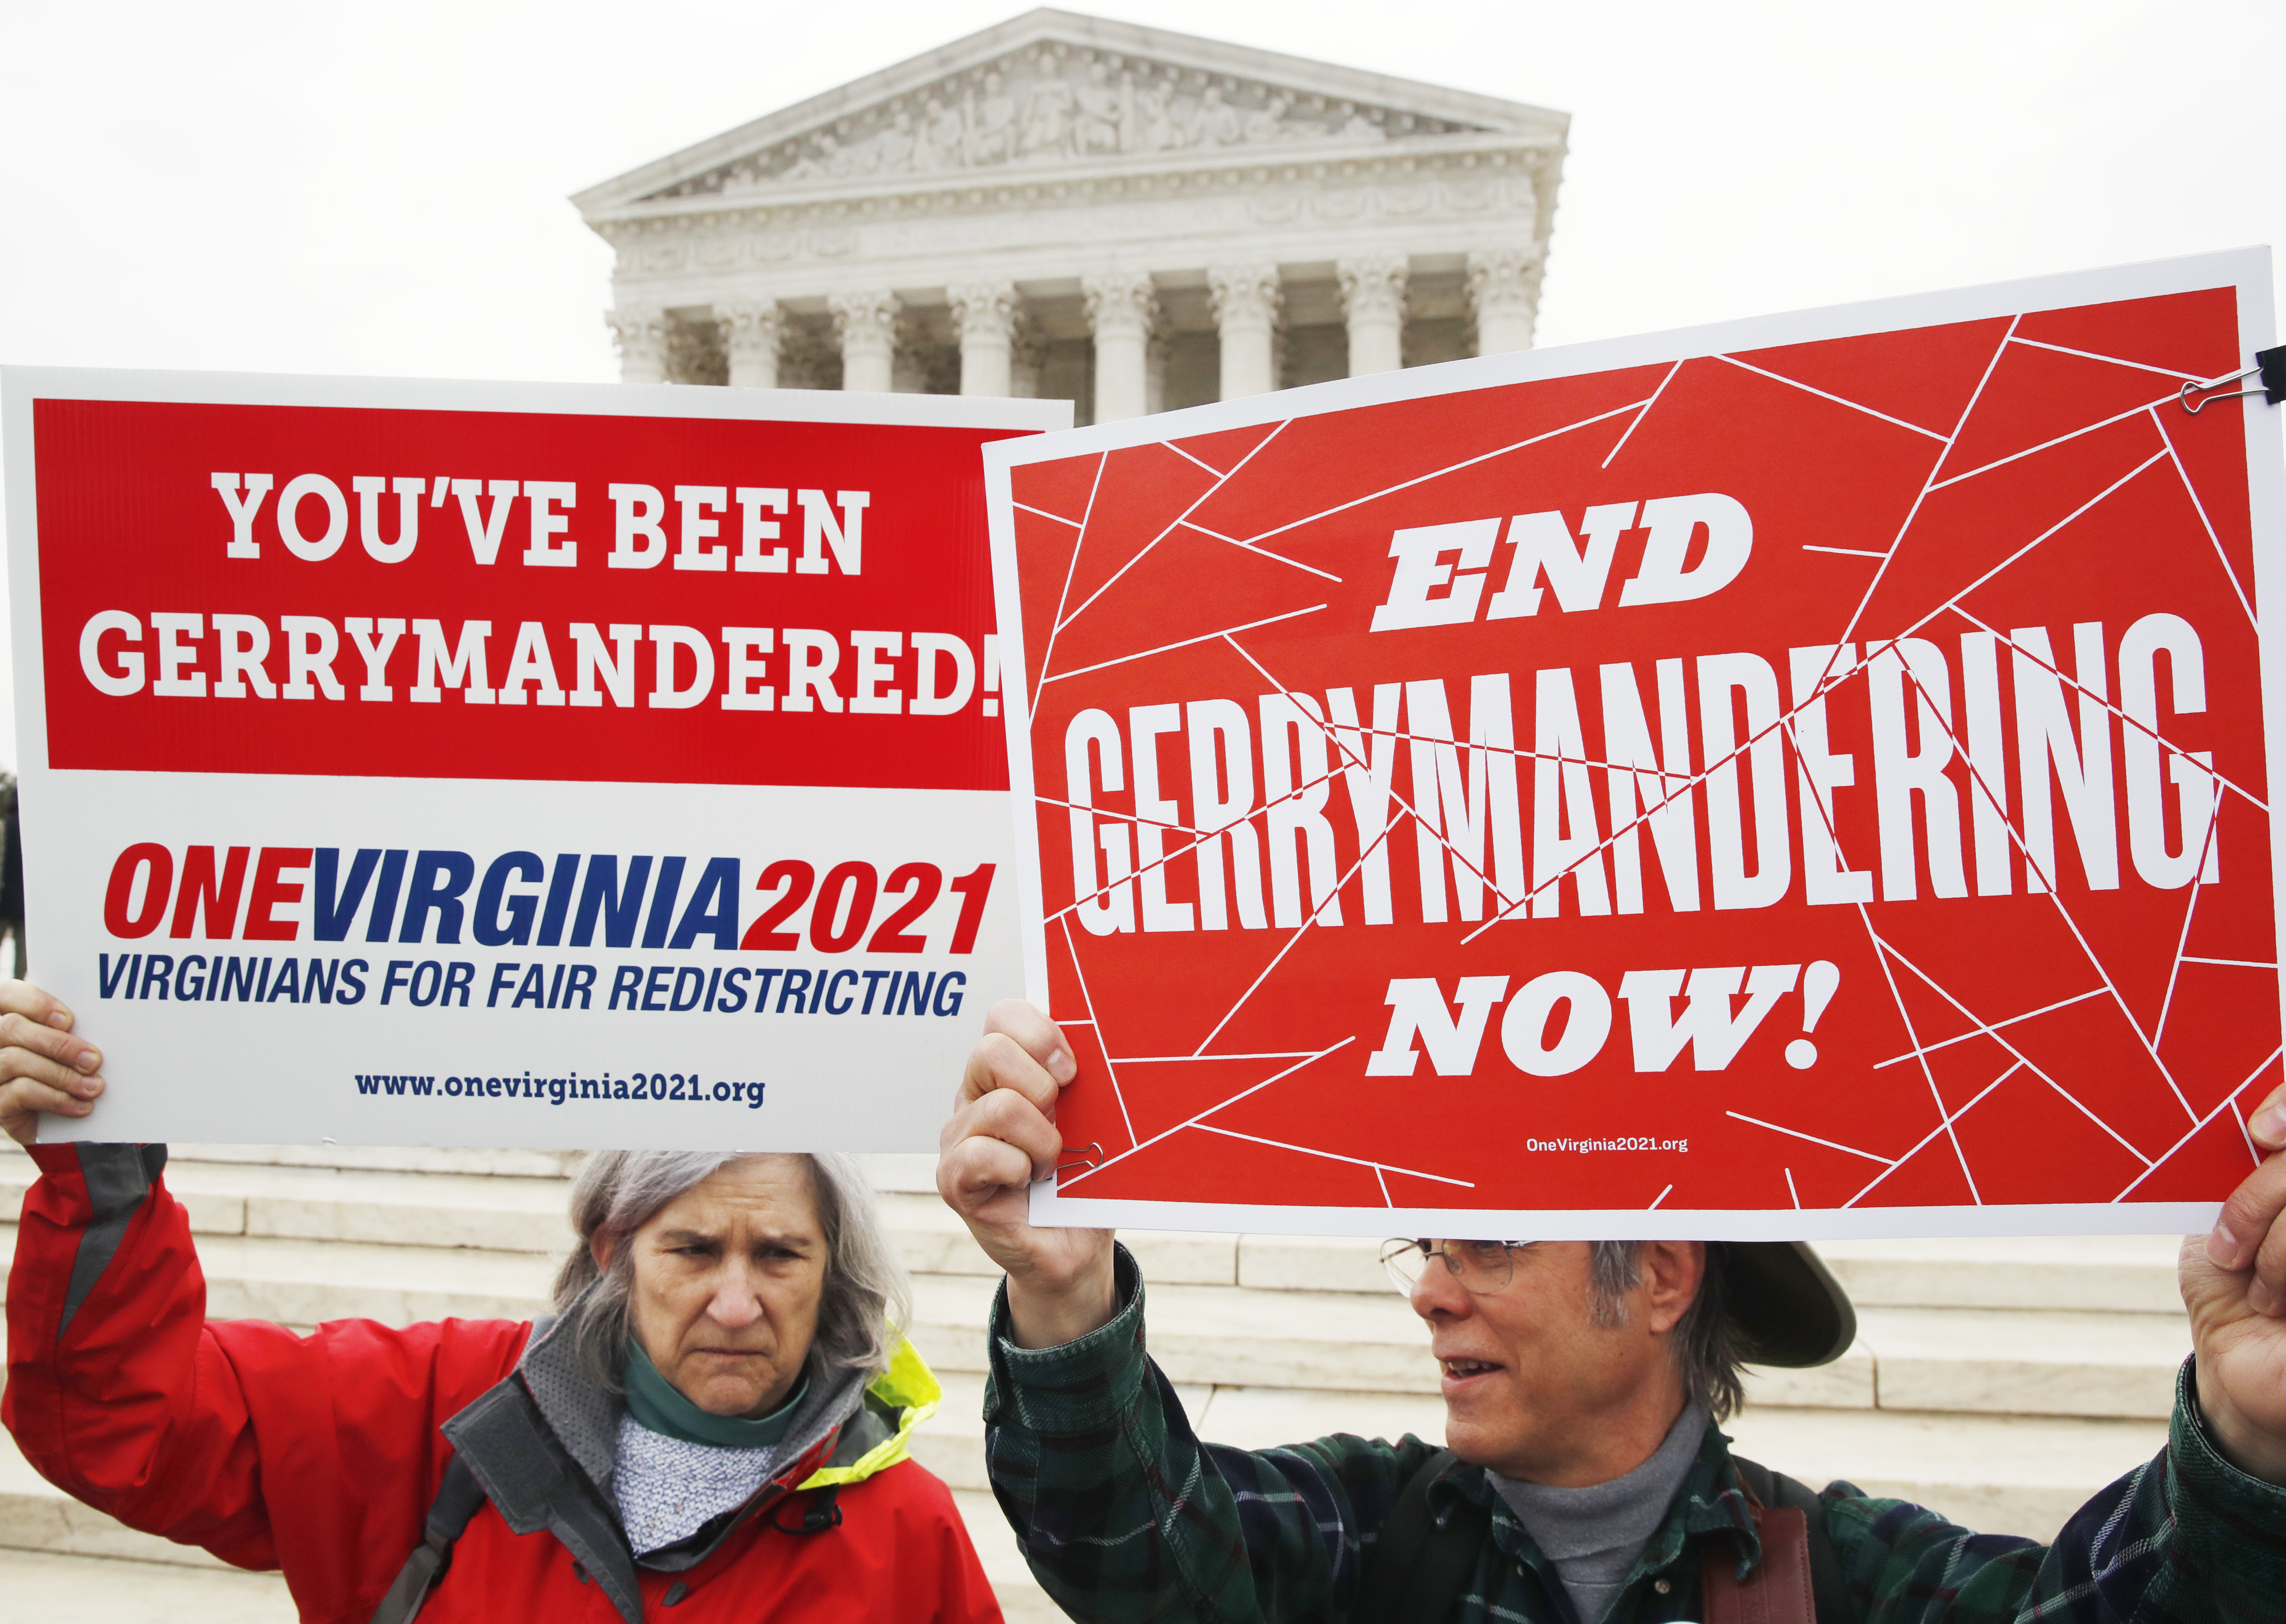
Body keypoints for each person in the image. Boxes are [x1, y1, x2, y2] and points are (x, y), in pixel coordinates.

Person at [940, 998, 2286, 1624]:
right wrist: (1060, 1287)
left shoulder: (1852, 1576)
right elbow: (1132, 1550)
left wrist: (2245, 1436)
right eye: (1427, 1240)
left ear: (1659, 1275)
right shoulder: (1357, 1536)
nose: (1427, 1284)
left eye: (1488, 1241)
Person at [0, 982, 1002, 1623]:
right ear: (613, 1248)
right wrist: (104, 1179)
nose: (736, 1303)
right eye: (692, 1249)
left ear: (834, 1268)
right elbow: (125, 1428)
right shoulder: (445, 1415)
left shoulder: (907, 1532)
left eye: (780, 1254)